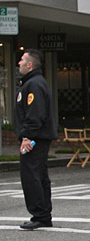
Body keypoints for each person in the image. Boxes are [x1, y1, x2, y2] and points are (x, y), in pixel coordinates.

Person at [14, 49, 57, 230]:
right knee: (39, 175)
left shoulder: (33, 85)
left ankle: (39, 214)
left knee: (31, 175)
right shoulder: (35, 83)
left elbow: (35, 114)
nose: (19, 63)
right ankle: (43, 214)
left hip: (35, 138)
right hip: (39, 137)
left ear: (30, 64)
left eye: (22, 61)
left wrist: (27, 136)